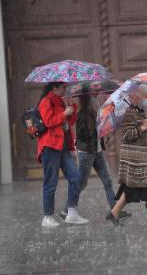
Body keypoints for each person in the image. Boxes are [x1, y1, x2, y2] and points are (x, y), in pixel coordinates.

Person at [59, 93, 131, 220]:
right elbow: (81, 136)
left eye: (95, 97)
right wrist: (97, 128)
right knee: (81, 184)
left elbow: (98, 132)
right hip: (86, 154)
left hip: (97, 152)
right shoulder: (82, 115)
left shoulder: (97, 113)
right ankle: (66, 210)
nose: (95, 100)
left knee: (108, 181)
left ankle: (115, 211)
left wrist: (102, 128)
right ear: (88, 100)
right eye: (93, 98)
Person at [105, 92, 147, 227]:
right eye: (140, 95)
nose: (144, 97)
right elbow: (127, 135)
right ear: (131, 96)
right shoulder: (127, 112)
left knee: (132, 187)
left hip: (139, 155)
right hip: (134, 157)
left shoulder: (137, 110)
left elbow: (138, 132)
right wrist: (144, 127)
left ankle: (114, 213)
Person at [37, 82, 89, 227]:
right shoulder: (46, 101)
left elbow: (69, 122)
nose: (65, 90)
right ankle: (47, 217)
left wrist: (72, 108)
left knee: (75, 177)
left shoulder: (60, 101)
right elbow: (48, 122)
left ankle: (71, 213)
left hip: (63, 146)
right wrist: (64, 113)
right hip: (50, 146)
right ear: (54, 88)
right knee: (51, 183)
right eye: (63, 87)